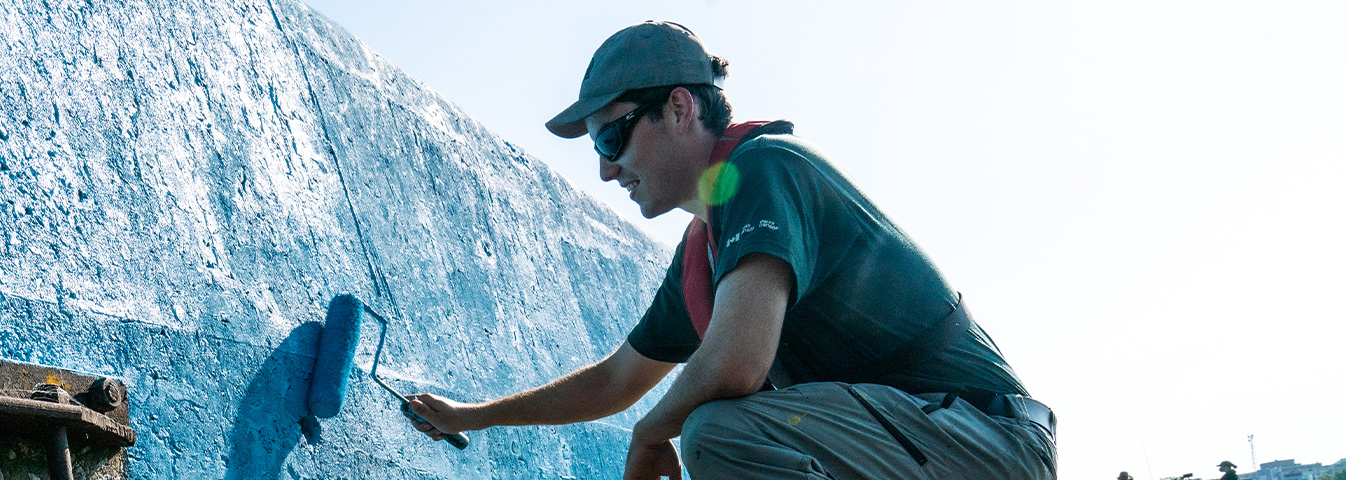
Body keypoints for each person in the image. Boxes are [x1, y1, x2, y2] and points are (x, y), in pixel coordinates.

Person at [400, 21, 1056, 479]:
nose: (606, 171)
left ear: (680, 109)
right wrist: (475, 416)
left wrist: (651, 432)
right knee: (720, 431)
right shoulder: (707, 259)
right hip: (911, 448)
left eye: (611, 141)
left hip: (986, 440)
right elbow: (616, 380)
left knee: (718, 433)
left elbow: (735, 363)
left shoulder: (767, 170)